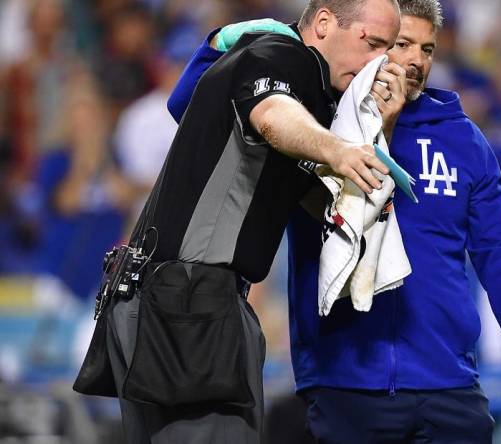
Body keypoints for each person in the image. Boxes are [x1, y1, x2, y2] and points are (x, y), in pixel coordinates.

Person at [167, 1, 501, 442]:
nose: (416, 60)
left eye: (428, 49)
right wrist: (218, 45)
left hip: (449, 386)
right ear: (368, 45)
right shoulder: (315, 119)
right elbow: (193, 110)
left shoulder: (463, 141)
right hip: (344, 384)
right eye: (401, 44)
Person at [89, 1, 401, 443]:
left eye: (388, 50)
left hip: (151, 299)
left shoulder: (300, 87)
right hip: (191, 303)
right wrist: (339, 150)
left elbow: (188, 107)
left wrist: (368, 134)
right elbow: (273, 114)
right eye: (371, 42)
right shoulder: (286, 54)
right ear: (325, 24)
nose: (378, 61)